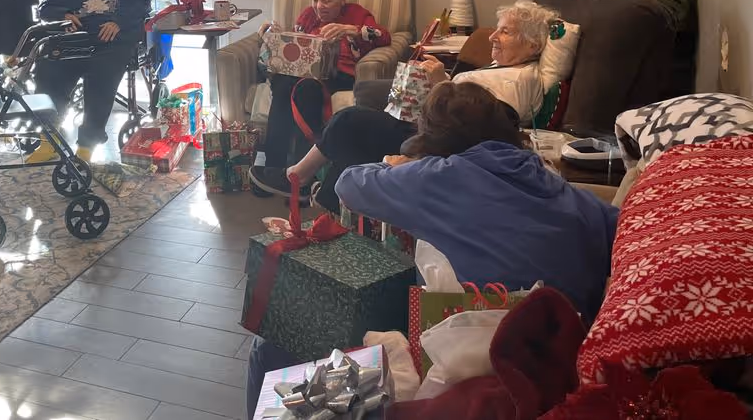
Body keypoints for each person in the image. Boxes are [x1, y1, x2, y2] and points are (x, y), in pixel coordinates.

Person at [244, 82, 618, 420]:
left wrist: (403, 165)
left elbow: (350, 184)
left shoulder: (443, 176)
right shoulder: (575, 197)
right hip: (565, 362)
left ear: (434, 143)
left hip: (479, 363)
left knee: (268, 349)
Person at [282, 0, 558, 212]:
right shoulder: (504, 69)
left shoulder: (516, 81)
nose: (492, 37)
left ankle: (299, 176)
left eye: (505, 32)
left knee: (350, 120)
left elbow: (477, 127)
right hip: (433, 129)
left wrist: (440, 82)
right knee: (358, 132)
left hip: (439, 143)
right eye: (497, 29)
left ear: (532, 45)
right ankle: (330, 203)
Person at [249, 0, 390, 204]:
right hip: (303, 74)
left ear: (341, 1)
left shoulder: (356, 14)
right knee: (284, 85)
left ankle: (298, 177)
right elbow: (296, 45)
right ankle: (277, 169)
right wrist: (277, 35)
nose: (319, 6)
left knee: (303, 91)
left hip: (338, 74)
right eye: (315, 0)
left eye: (326, 1)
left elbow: (384, 36)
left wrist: (350, 29)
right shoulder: (307, 15)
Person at [31, 0, 150, 160]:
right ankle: (48, 137)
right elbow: (45, 8)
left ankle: (87, 144)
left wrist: (119, 22)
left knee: (101, 79)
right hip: (76, 42)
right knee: (48, 70)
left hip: (110, 46)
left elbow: (142, 7)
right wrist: (64, 15)